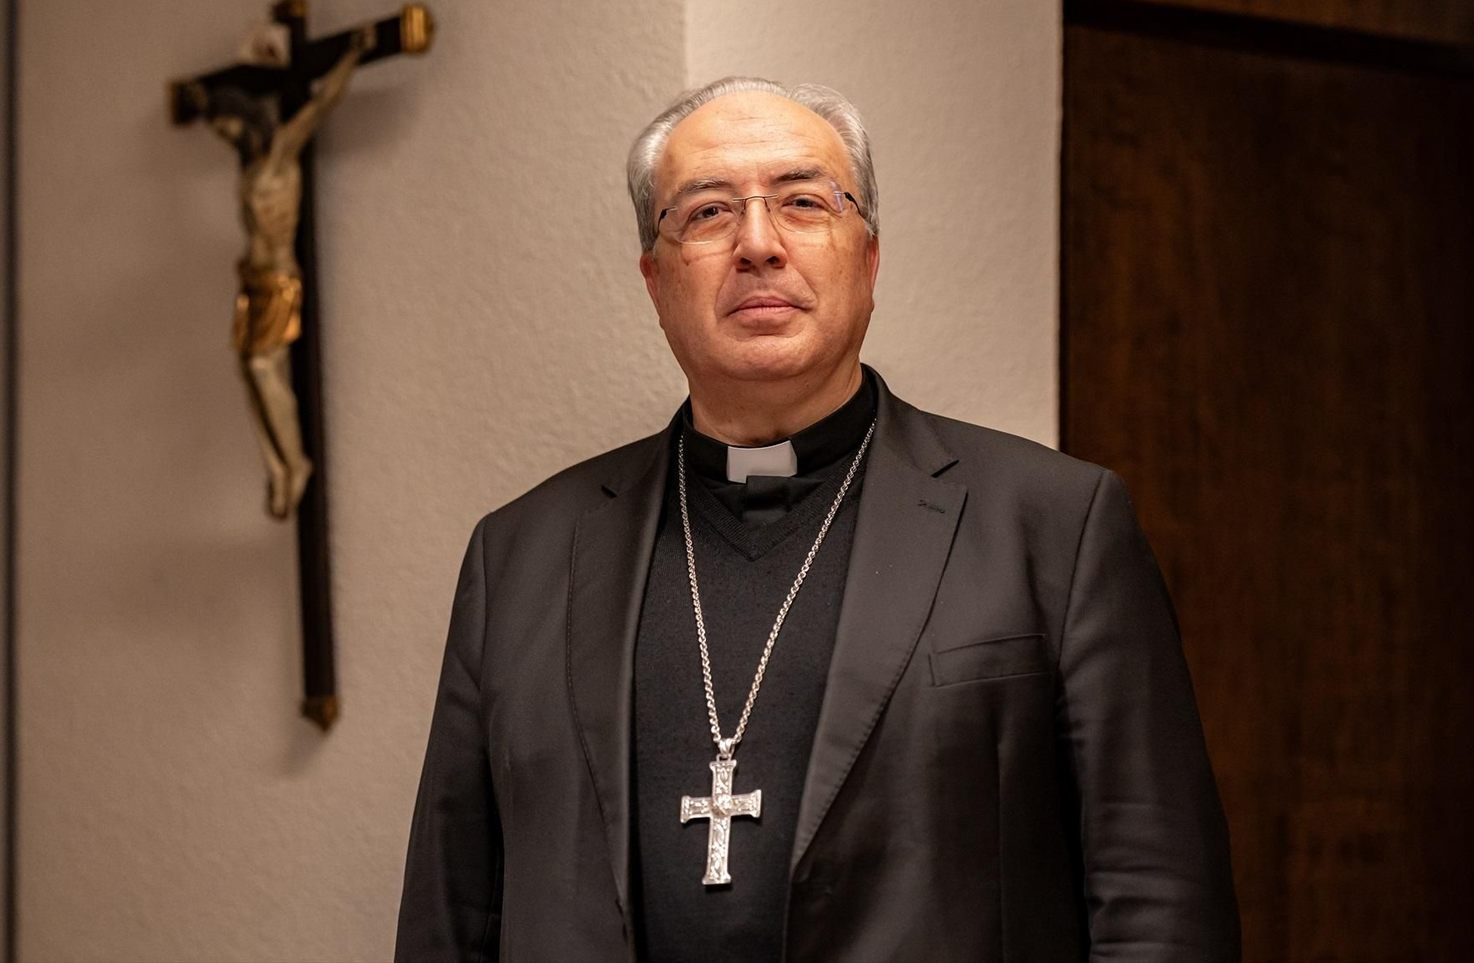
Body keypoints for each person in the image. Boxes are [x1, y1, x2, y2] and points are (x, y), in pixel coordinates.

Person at [395, 77, 1240, 961]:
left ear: (868, 260)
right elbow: (449, 921)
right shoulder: (522, 556)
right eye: (708, 213)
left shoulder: (1054, 526)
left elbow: (1161, 906)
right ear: (655, 280)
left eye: (803, 202)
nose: (758, 244)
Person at [197, 24, 374, 519]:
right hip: (252, 282)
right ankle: (276, 467)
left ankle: (296, 463)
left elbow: (320, 104)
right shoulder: (250, 170)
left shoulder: (280, 155)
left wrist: (351, 56)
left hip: (278, 279)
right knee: (246, 371)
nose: (226, 138)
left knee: (261, 367)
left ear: (243, 117)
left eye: (227, 128)